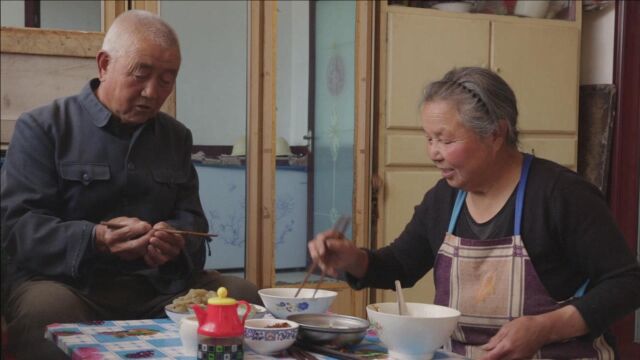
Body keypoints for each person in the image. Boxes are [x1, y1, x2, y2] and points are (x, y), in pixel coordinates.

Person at [308, 67, 640, 359]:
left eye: (446, 140)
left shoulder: (559, 194)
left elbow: (627, 283)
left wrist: (546, 327)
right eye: (429, 139)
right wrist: (352, 259)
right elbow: (400, 266)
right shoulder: (444, 199)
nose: (434, 154)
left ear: (496, 133)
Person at [0, 10, 260, 359]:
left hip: (157, 287)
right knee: (46, 312)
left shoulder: (175, 137)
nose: (152, 92)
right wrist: (95, 240)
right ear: (104, 64)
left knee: (242, 296)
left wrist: (176, 241)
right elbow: (18, 229)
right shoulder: (43, 127)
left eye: (167, 80)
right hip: (69, 286)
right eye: (141, 74)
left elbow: (196, 226)